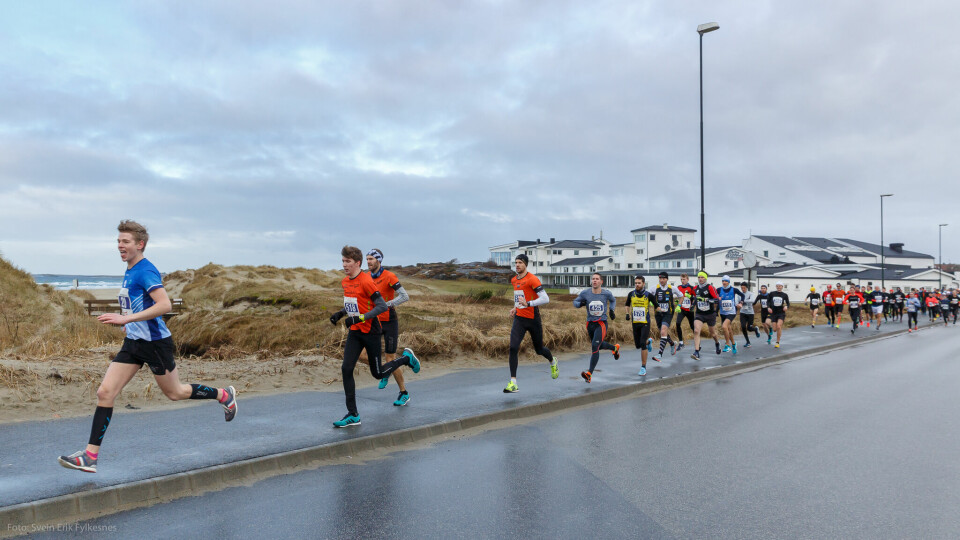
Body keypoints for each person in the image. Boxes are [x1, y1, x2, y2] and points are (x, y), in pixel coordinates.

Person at [58, 221, 238, 473]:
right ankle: (90, 457)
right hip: (134, 343)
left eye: (126, 242)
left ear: (139, 244)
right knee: (105, 393)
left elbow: (164, 305)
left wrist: (126, 318)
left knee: (175, 393)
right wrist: (129, 323)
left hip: (155, 344)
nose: (120, 245)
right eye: (118, 241)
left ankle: (223, 395)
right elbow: (137, 304)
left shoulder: (145, 270)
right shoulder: (130, 269)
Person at [329, 246, 420, 428]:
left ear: (357, 263)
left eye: (348, 261)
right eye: (343, 261)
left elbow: (381, 307)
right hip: (356, 332)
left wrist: (360, 318)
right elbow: (353, 304)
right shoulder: (345, 282)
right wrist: (340, 313)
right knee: (346, 369)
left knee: (378, 373)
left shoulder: (367, 281)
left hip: (371, 331)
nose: (344, 265)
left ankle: (405, 359)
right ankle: (353, 414)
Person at [367, 249, 417, 407]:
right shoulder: (366, 277)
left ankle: (404, 393)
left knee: (390, 358)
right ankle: (385, 371)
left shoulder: (389, 276)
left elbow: (404, 296)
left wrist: (387, 305)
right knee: (362, 354)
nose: (368, 262)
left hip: (389, 321)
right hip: (373, 321)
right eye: (366, 259)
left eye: (371, 259)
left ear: (379, 261)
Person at [503, 254, 556, 393]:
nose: (517, 265)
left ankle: (552, 361)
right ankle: (513, 382)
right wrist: (515, 308)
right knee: (513, 347)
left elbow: (546, 299)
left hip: (533, 319)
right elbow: (520, 296)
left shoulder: (532, 279)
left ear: (526, 264)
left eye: (520, 262)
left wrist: (529, 304)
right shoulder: (514, 280)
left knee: (539, 350)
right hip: (519, 319)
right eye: (516, 262)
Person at [573, 273, 619, 382]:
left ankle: (589, 374)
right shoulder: (585, 293)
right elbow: (575, 301)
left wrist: (612, 310)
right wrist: (580, 304)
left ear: (601, 282)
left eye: (597, 279)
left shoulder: (606, 293)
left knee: (594, 346)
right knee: (598, 345)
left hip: (601, 323)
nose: (594, 281)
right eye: (593, 279)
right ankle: (615, 348)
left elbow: (613, 300)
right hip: (590, 324)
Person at [625, 275, 656, 376]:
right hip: (635, 323)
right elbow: (627, 304)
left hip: (645, 323)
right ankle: (649, 342)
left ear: (643, 283)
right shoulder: (631, 294)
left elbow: (656, 305)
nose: (637, 285)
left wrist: (659, 311)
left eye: (639, 283)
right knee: (638, 345)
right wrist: (627, 313)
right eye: (636, 283)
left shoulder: (648, 295)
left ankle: (643, 367)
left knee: (642, 344)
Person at [690, 271, 721, 360]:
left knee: (712, 333)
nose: (700, 279)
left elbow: (716, 300)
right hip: (699, 313)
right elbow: (695, 298)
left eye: (702, 277)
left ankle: (717, 343)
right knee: (696, 331)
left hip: (710, 314)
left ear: (706, 278)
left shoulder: (710, 287)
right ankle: (696, 352)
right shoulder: (695, 288)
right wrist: (693, 305)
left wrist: (706, 300)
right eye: (699, 277)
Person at [652, 272, 682, 361]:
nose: (661, 280)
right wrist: (651, 302)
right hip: (658, 314)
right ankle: (672, 344)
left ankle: (659, 354)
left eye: (663, 278)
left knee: (663, 330)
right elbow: (647, 296)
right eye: (660, 278)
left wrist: (679, 306)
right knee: (662, 332)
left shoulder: (672, 288)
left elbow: (681, 296)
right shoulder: (654, 288)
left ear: (667, 279)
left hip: (668, 313)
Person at [716, 275, 745, 355]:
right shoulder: (719, 290)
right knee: (728, 329)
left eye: (726, 281)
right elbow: (715, 298)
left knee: (724, 326)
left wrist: (741, 303)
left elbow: (743, 295)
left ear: (728, 282)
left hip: (732, 312)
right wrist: (716, 309)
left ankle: (727, 344)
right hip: (723, 313)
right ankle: (734, 344)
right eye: (723, 281)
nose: (724, 282)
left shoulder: (734, 289)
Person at [674, 273, 696, 352]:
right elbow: (678, 297)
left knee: (692, 327)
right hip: (682, 309)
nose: (682, 281)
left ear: (688, 279)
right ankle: (681, 343)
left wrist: (690, 297)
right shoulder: (679, 287)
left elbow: (696, 297)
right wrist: (677, 302)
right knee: (677, 323)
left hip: (689, 310)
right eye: (681, 280)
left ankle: (697, 342)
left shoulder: (691, 288)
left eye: (684, 279)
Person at [767, 281, 790, 348]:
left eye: (780, 286)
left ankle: (777, 342)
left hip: (781, 313)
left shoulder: (784, 295)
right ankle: (772, 329)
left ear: (782, 287)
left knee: (779, 326)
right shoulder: (772, 293)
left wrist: (786, 306)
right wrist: (768, 308)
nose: (778, 287)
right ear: (776, 286)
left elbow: (788, 303)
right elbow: (768, 301)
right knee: (774, 329)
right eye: (777, 286)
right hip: (774, 313)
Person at [738, 282, 761, 348]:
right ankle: (748, 342)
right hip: (743, 313)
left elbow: (752, 300)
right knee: (743, 327)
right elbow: (737, 301)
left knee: (749, 328)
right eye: (742, 288)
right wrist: (738, 304)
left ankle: (755, 329)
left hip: (750, 313)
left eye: (744, 288)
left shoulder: (750, 294)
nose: (743, 289)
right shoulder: (740, 294)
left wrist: (743, 301)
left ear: (747, 288)